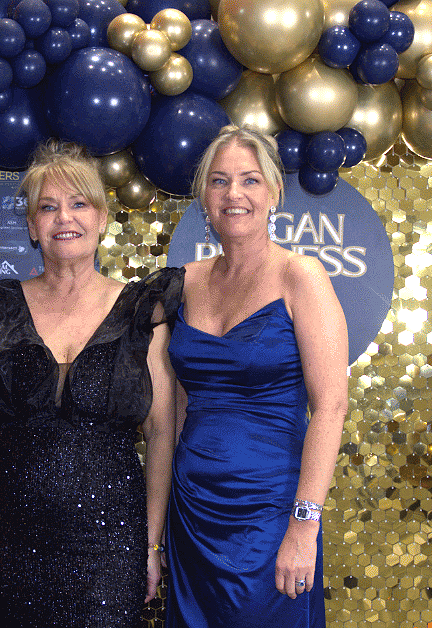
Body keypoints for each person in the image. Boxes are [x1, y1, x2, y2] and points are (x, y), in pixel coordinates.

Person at [0, 141, 179, 628]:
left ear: (102, 218)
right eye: (48, 206)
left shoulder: (142, 313)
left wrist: (151, 543)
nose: (65, 217)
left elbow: (162, 432)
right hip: (14, 544)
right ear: (31, 226)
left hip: (111, 545)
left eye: (79, 203)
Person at [165, 126, 349, 628]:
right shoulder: (184, 281)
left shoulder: (301, 276)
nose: (234, 194)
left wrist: (304, 526)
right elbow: (178, 406)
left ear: (272, 192)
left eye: (249, 180)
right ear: (204, 196)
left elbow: (331, 407)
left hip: (270, 514)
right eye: (220, 181)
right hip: (192, 510)